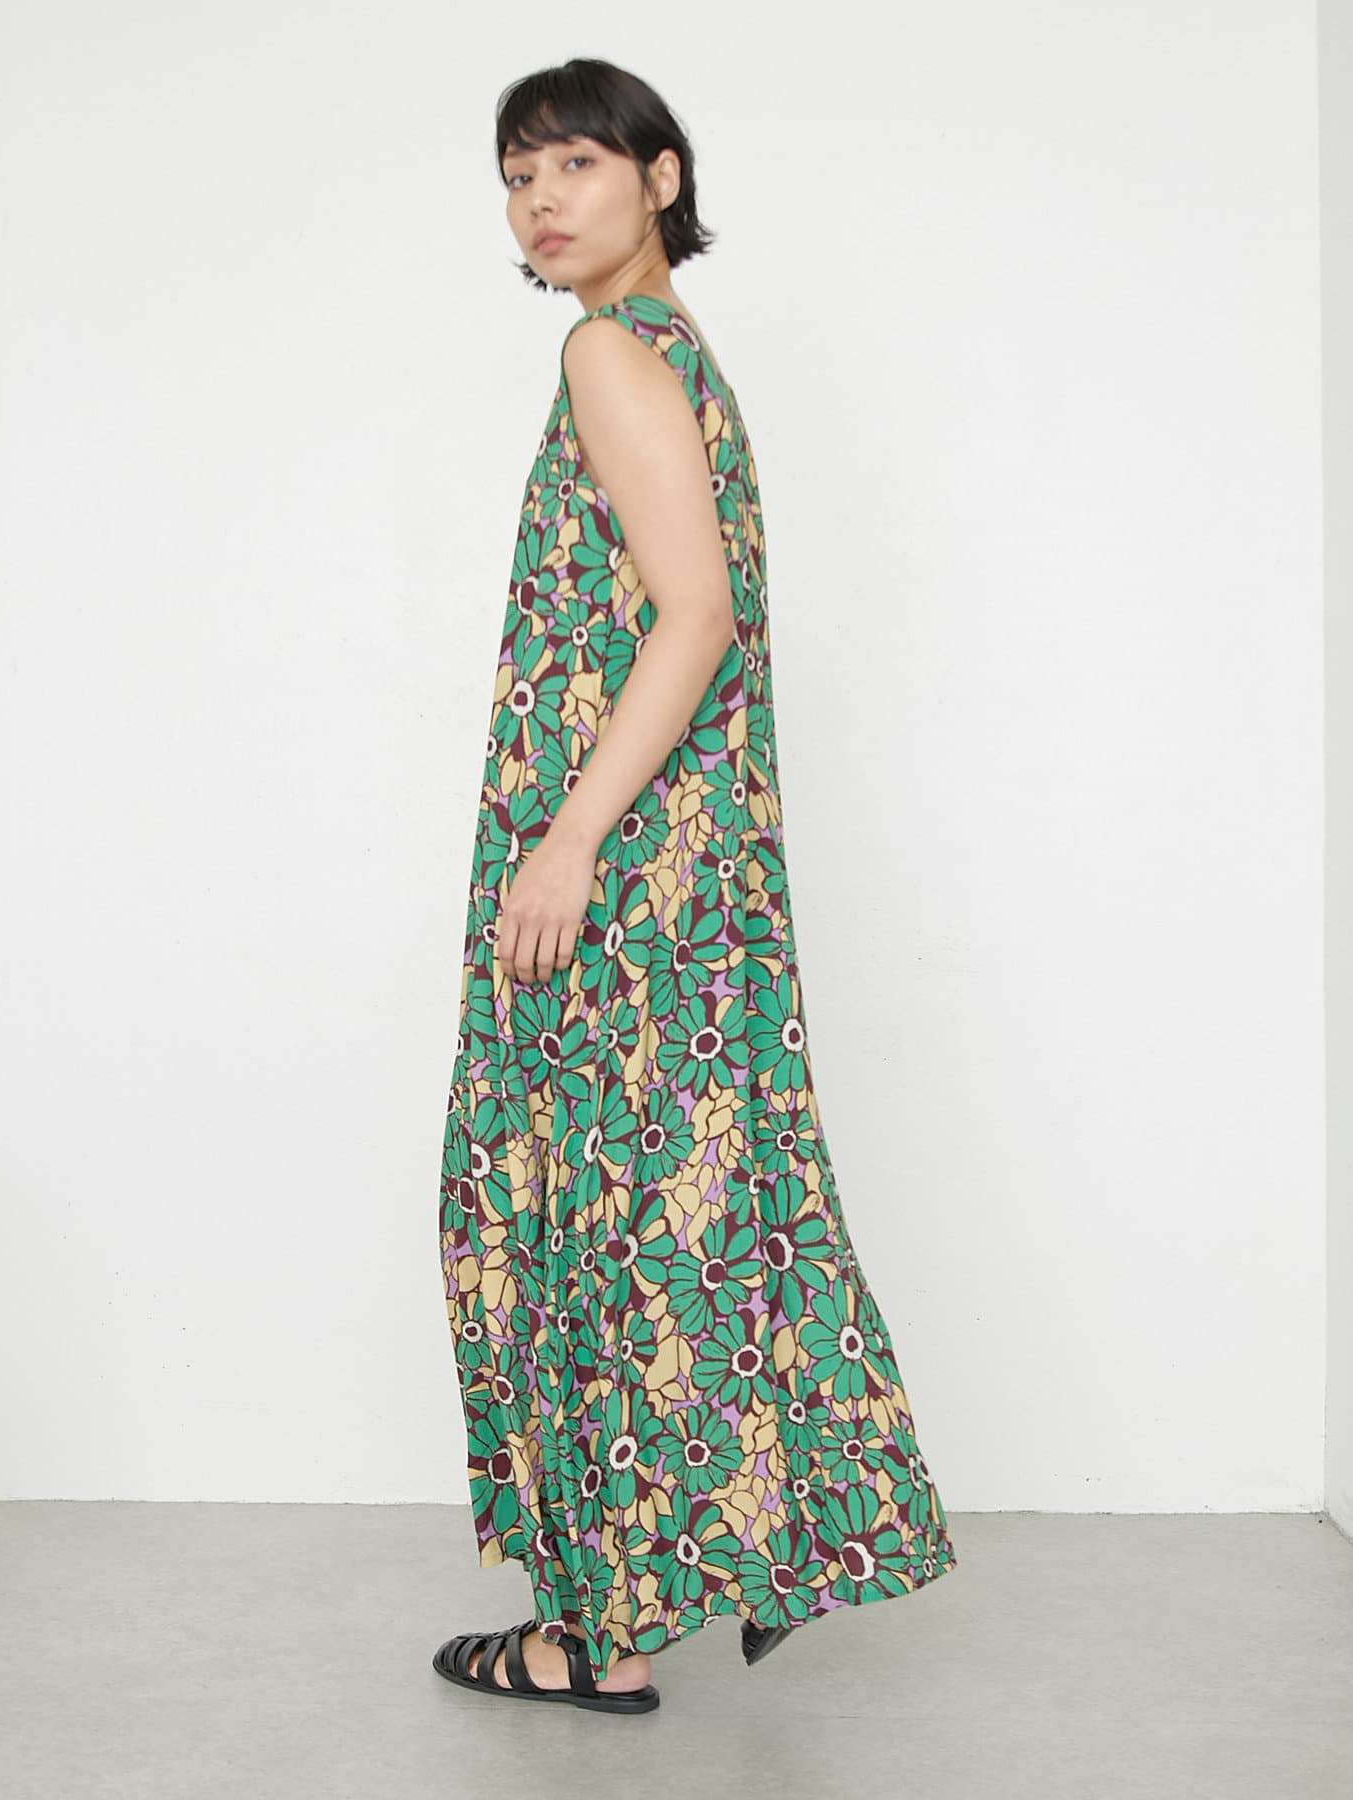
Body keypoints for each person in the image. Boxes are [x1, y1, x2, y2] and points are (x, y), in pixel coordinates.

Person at [433, 58, 959, 1715]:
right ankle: (747, 1544)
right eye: (518, 175)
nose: (541, 199)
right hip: (691, 859)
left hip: (628, 867)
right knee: (692, 1201)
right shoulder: (669, 350)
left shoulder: (610, 352)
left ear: (661, 177)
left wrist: (570, 838)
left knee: (596, 1213)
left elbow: (696, 614)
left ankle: (600, 1629)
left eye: (576, 164)